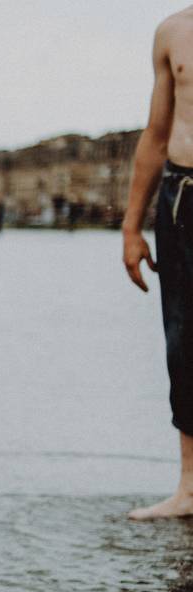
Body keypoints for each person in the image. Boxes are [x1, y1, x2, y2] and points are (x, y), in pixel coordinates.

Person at [123, 7, 193, 519]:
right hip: (181, 197)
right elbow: (155, 132)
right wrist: (131, 226)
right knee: (184, 341)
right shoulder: (172, 31)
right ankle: (190, 488)